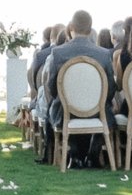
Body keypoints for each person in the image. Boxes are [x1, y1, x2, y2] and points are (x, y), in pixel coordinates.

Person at [38, 10, 111, 164]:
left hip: (65, 111)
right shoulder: (104, 54)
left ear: (71, 27)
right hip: (97, 113)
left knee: (55, 108)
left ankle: (74, 153)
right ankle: (93, 154)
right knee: (109, 114)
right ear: (91, 30)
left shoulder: (58, 53)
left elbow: (51, 87)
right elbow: (110, 88)